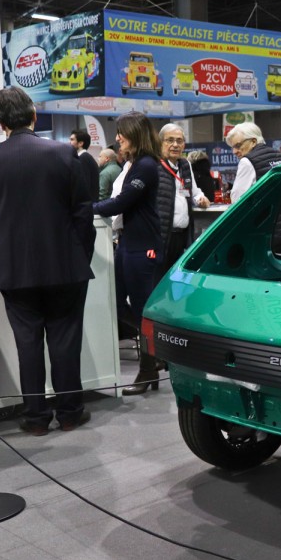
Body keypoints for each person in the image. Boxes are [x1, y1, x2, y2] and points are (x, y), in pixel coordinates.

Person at [0, 87, 95, 435]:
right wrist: (80, 255)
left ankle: (35, 419)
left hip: (13, 268)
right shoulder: (65, 153)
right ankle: (70, 413)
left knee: (27, 344)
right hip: (65, 265)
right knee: (65, 341)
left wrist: (4, 240)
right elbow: (83, 214)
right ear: (34, 116)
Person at [92, 112, 163, 396]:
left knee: (143, 309)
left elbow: (121, 202)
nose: (117, 137)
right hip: (127, 242)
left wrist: (87, 210)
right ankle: (156, 349)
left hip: (142, 245)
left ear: (134, 133)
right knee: (119, 304)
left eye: (121, 132)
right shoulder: (131, 163)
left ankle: (148, 369)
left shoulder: (146, 165)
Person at [226, 122, 281, 253]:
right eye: (232, 147)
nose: (235, 151)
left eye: (238, 145)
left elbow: (237, 201)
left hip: (279, 237)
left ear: (253, 141)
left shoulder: (248, 161)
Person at [156, 123, 209, 278]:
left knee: (177, 279)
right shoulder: (153, 165)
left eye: (179, 141)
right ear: (161, 143)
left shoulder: (185, 165)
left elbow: (193, 191)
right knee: (159, 280)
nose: (175, 145)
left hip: (182, 237)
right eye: (170, 140)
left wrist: (200, 198)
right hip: (162, 236)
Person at [69, 128, 99, 200]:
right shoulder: (83, 157)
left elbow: (84, 185)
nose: (69, 142)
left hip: (86, 205)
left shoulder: (83, 158)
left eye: (72, 139)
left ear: (80, 143)